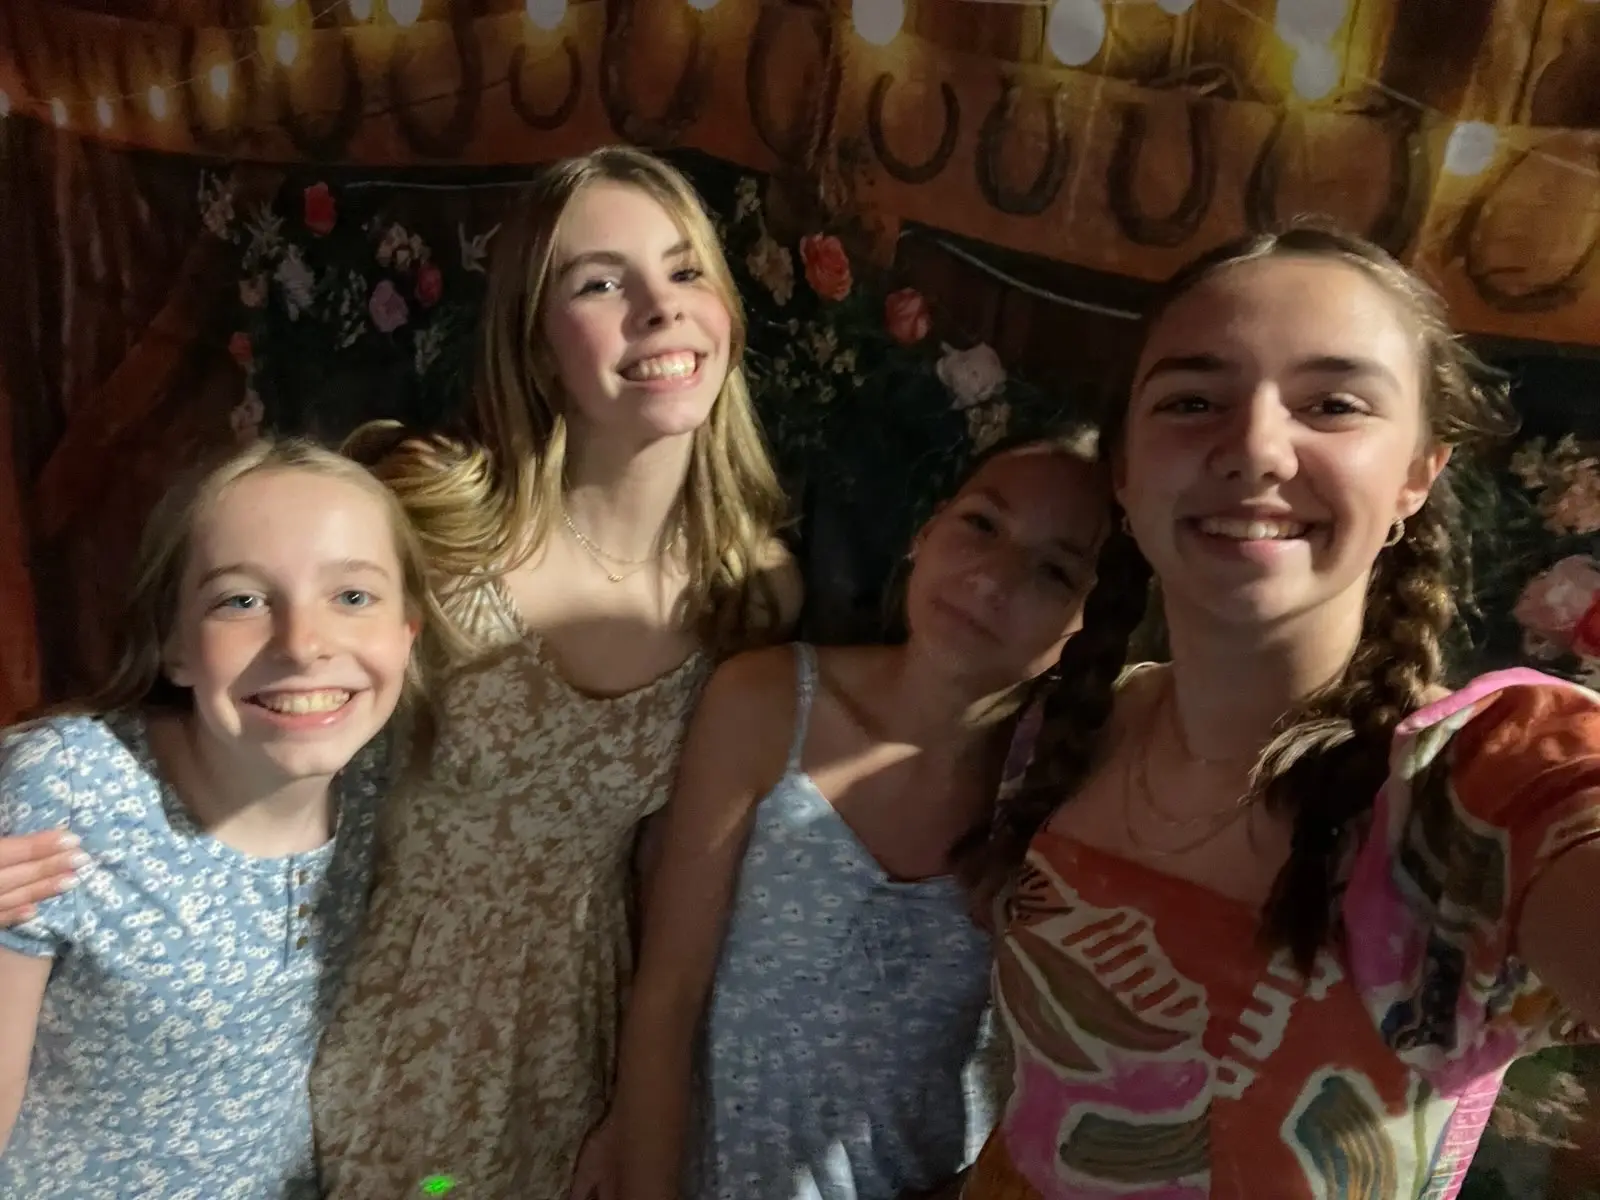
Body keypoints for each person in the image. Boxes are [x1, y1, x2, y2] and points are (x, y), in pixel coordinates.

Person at [961, 224, 1600, 1199]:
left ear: (1417, 475)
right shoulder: (1059, 730)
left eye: (1333, 404)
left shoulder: (1475, 787)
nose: (1256, 448)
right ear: (1124, 471)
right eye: (1192, 400)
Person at [307, 146, 803, 1199]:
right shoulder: (430, 520)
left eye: (685, 270)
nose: (659, 308)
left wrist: (634, 1109)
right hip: (371, 1022)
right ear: (536, 344)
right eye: (600, 283)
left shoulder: (752, 593)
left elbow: (674, 872)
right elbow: (258, 716)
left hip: (574, 1048)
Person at [613, 433, 1110, 1200]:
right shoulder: (767, 704)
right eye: (982, 524)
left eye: (1053, 571)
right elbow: (668, 996)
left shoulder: (1068, 800)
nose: (992, 577)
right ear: (926, 531)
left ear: (1089, 625)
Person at [0, 438, 442, 1198]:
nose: (303, 645)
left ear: (409, 631)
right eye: (241, 601)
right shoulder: (68, 789)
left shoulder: (379, 773)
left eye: (352, 596)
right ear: (173, 644)